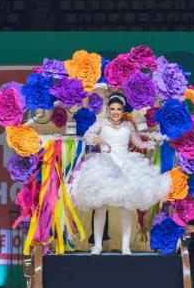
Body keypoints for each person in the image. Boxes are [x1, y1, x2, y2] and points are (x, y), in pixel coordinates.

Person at [70, 93, 169, 255]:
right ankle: (97, 245)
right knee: (101, 207)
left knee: (126, 207)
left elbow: (138, 142)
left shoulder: (128, 126)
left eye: (119, 109)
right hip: (104, 166)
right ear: (108, 109)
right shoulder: (100, 123)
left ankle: (125, 246)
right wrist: (99, 140)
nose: (115, 112)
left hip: (125, 166)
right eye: (112, 109)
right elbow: (87, 136)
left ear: (123, 110)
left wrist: (151, 144)